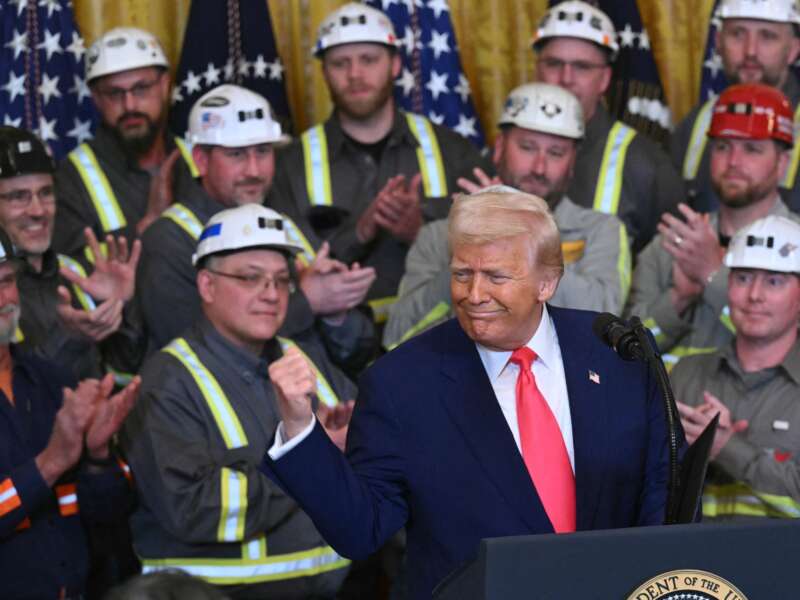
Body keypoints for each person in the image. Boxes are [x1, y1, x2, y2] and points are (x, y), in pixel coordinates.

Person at [263, 187, 676, 600]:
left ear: (547, 282)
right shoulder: (400, 383)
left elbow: (666, 491)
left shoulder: (617, 353)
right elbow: (360, 530)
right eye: (462, 274)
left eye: (496, 276)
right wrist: (299, 427)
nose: (474, 295)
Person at [122, 205, 356, 599]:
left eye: (282, 281)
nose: (271, 294)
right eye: (251, 278)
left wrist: (353, 442)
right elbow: (195, 508)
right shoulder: (168, 380)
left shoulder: (303, 357)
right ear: (207, 286)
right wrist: (313, 459)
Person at [268, 2, 490, 323]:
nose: (355, 74)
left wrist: (422, 232)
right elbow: (283, 272)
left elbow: (494, 255)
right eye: (340, 63)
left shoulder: (453, 151)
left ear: (396, 64)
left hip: (440, 340)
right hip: (333, 352)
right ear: (324, 72)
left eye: (369, 60)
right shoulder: (288, 166)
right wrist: (359, 232)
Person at [136, 84, 376, 370]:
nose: (253, 170)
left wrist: (336, 314)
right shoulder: (168, 241)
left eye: (262, 151)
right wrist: (307, 302)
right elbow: (199, 357)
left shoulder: (282, 219)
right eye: (237, 155)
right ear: (200, 160)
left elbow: (359, 349)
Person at [384, 83, 631, 349]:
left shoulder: (602, 229)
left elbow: (602, 325)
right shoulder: (439, 234)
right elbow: (398, 336)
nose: (539, 167)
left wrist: (521, 233)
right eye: (527, 147)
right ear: (499, 147)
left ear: (573, 162)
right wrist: (470, 246)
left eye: (556, 153)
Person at [0, 224, 140, 600]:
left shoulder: (53, 381)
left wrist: (98, 458)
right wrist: (49, 464)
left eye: (6, 281)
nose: (2, 298)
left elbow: (109, 515)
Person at [626, 83, 800, 369]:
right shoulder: (671, 243)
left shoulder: (797, 247)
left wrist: (712, 276)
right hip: (666, 409)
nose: (733, 161)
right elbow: (629, 352)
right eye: (722, 147)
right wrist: (678, 299)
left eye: (752, 149)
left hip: (757, 413)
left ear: (782, 163)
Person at [673, 215, 800, 521]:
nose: (754, 295)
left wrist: (725, 447)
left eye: (774, 281)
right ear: (728, 284)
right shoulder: (687, 373)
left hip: (783, 565)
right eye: (743, 278)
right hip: (691, 564)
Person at [532, 0, 684, 252]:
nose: (565, 79)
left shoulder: (647, 166)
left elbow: (666, 273)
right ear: (538, 71)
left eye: (582, 67)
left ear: (604, 79)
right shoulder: (509, 152)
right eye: (554, 64)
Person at [0, 126, 142, 380]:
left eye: (45, 193)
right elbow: (16, 401)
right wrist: (70, 338)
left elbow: (125, 373)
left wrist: (122, 308)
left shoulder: (77, 272)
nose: (38, 210)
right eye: (18, 197)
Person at [53, 26, 198, 263]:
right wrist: (149, 225)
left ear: (164, 84)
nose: (129, 105)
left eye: (141, 89)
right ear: (96, 98)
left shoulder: (201, 159)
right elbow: (73, 274)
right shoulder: (71, 178)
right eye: (114, 93)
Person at [671, 0, 800, 213]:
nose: (750, 51)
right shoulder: (696, 123)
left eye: (767, 36)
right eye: (738, 34)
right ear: (718, 42)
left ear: (794, 49)